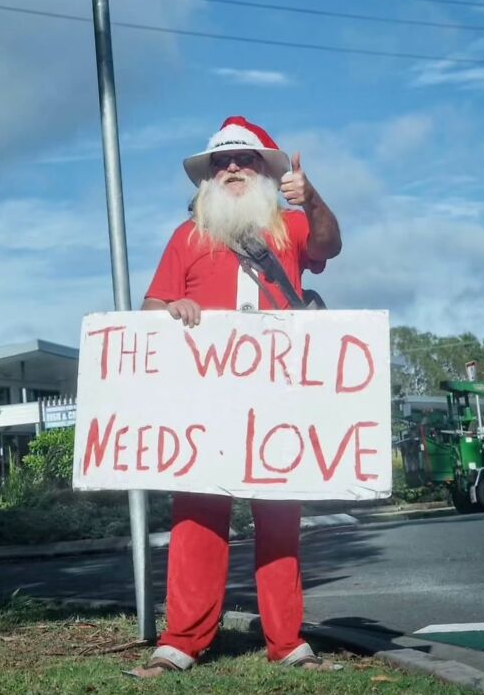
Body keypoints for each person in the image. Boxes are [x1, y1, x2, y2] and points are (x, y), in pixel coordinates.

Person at [132, 115, 342, 677]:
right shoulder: (187, 237)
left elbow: (330, 243)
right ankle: (181, 640)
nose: (231, 168)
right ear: (207, 176)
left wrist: (311, 197)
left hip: (278, 401)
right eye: (221, 161)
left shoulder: (289, 227)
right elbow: (151, 307)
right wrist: (170, 310)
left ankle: (287, 641)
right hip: (205, 402)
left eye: (244, 159)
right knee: (197, 518)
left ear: (263, 170)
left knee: (280, 518)